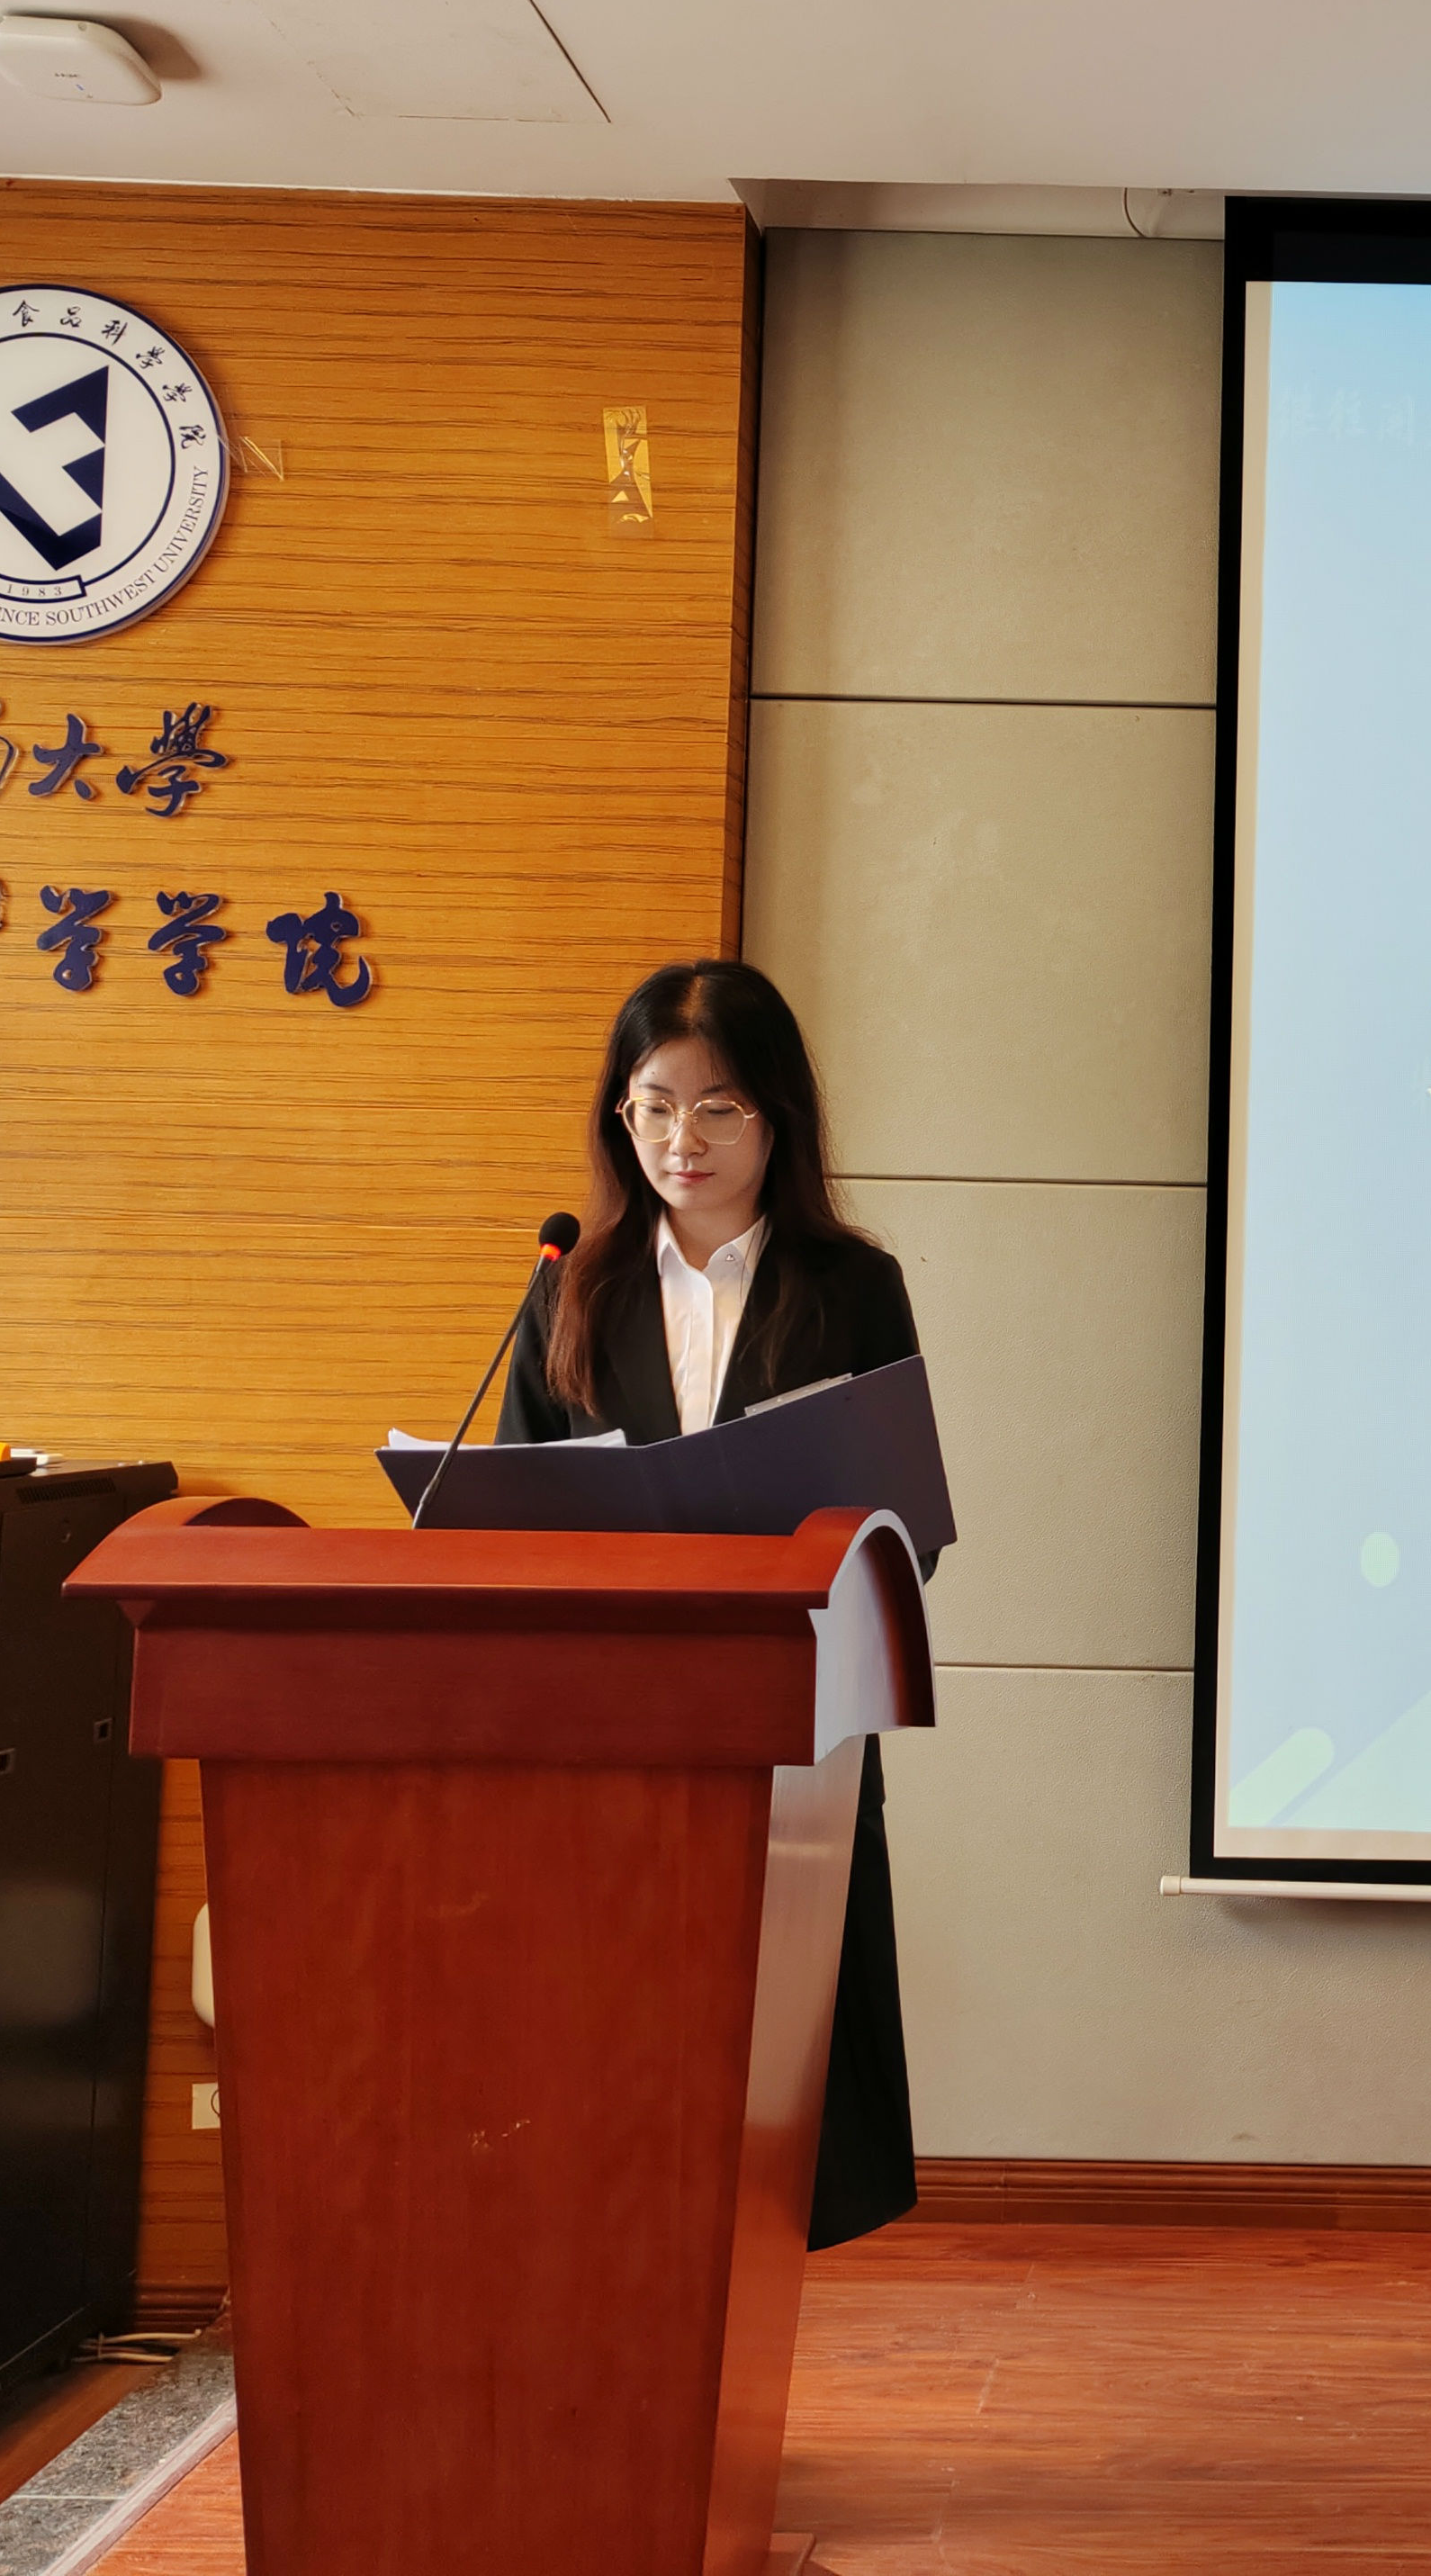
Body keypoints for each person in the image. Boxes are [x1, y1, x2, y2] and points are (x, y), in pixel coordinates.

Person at [497, 958, 921, 2247]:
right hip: (608, 1735)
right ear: (619, 1116)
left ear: (777, 1117)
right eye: (655, 1106)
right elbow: (510, 1515)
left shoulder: (851, 1287)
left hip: (785, 1721)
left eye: (719, 1107)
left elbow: (901, 1527)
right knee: (614, 2084)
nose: (684, 1139)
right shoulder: (572, 1284)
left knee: (775, 2099)